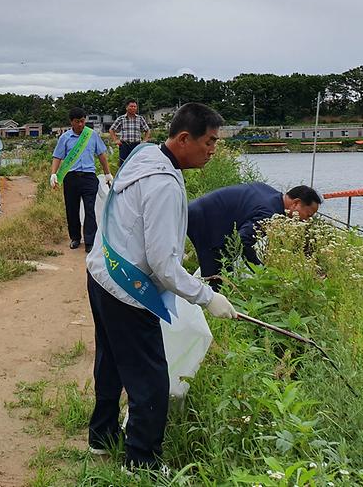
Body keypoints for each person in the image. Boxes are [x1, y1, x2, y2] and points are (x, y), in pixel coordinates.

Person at [85, 103, 238, 468]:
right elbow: (163, 267)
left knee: (110, 361)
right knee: (151, 378)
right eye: (210, 141)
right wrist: (207, 297)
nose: (213, 150)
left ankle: (102, 437)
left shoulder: (144, 156)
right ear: (184, 139)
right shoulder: (164, 184)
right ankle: (142, 462)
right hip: (127, 289)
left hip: (102, 272)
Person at [187, 183, 321, 287]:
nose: (307, 220)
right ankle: (205, 312)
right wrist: (259, 268)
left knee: (224, 266)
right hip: (202, 220)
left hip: (202, 212)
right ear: (296, 203)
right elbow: (242, 241)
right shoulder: (270, 213)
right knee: (216, 273)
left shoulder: (271, 194)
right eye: (308, 215)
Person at [50, 107, 113, 252]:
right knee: (72, 209)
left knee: (89, 209)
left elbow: (101, 155)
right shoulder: (64, 138)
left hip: (89, 177)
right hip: (71, 177)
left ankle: (90, 240)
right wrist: (53, 173)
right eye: (77, 122)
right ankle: (75, 238)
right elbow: (57, 157)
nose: (80, 124)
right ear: (71, 122)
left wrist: (107, 173)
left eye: (83, 121)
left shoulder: (91, 135)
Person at [109, 99, 151, 166]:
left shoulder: (140, 118)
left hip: (136, 145)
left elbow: (147, 130)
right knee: (123, 164)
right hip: (124, 145)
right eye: (131, 106)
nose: (133, 108)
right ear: (127, 107)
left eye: (135, 106)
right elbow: (111, 130)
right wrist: (115, 140)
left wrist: (144, 140)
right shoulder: (121, 118)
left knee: (137, 164)